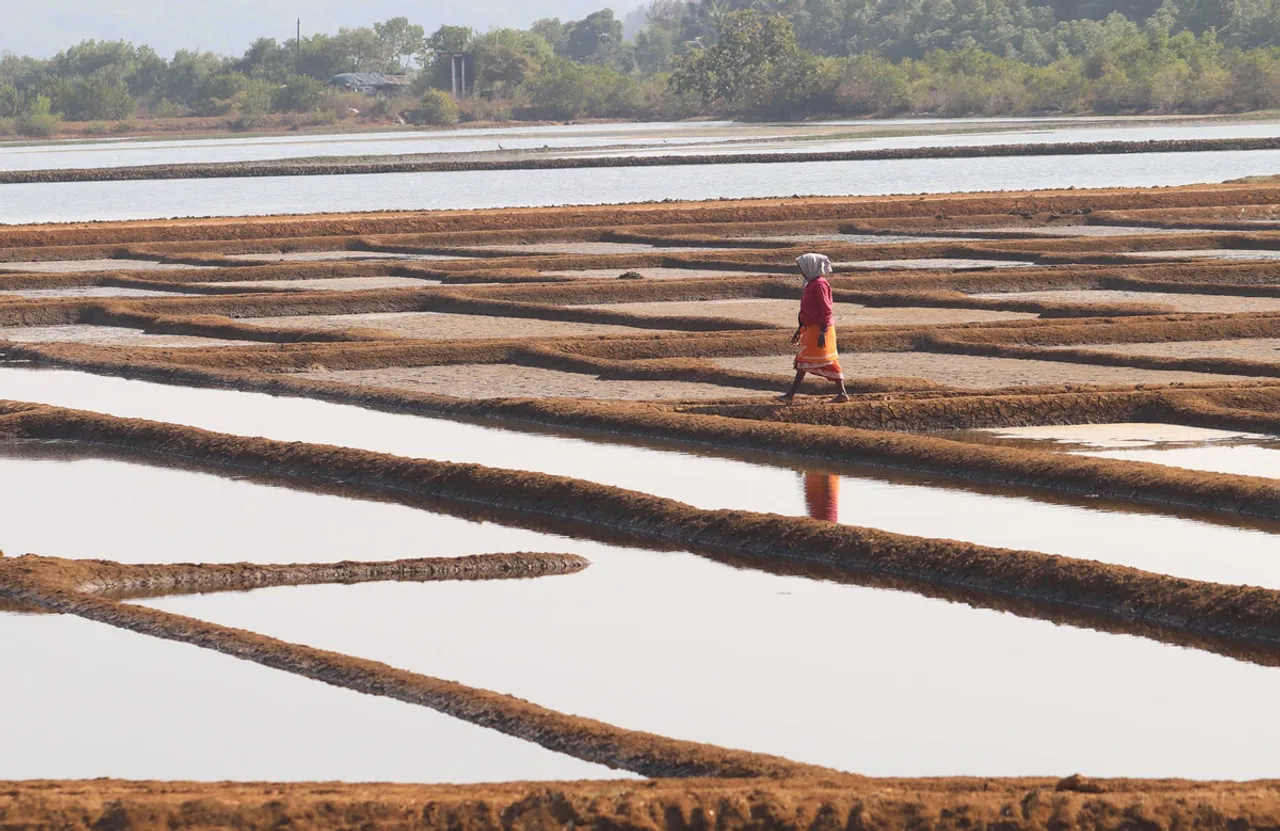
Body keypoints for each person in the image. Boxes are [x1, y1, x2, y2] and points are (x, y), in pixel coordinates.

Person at [779, 252, 850, 404]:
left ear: (811, 267)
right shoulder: (811, 283)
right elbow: (807, 309)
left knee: (810, 359)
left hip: (820, 328)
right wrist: (800, 329)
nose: (801, 271)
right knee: (813, 360)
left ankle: (790, 395)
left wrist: (822, 332)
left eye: (802, 268)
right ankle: (841, 393)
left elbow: (826, 308)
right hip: (812, 327)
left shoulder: (819, 284)